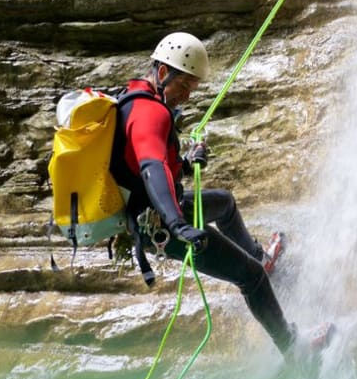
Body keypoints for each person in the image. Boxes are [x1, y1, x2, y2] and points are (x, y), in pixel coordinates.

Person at [109, 31, 316, 355]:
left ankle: (263, 258)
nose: (188, 97)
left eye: (192, 88)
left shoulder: (136, 100)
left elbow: (145, 163)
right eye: (184, 86)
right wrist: (177, 225)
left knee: (224, 204)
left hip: (157, 209)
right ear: (163, 73)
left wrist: (187, 161)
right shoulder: (151, 111)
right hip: (160, 223)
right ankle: (294, 352)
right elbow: (151, 167)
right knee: (250, 277)